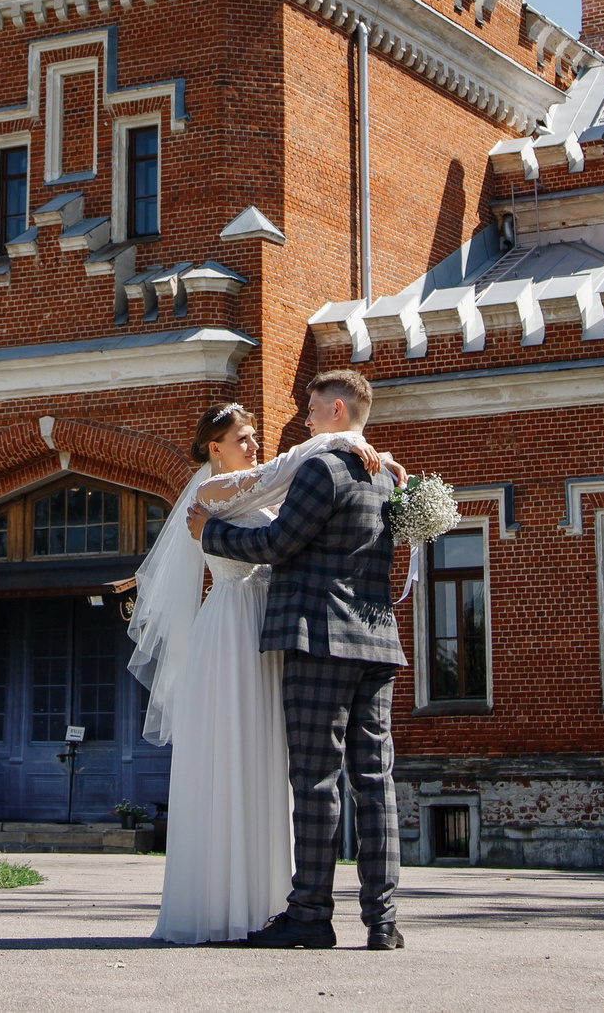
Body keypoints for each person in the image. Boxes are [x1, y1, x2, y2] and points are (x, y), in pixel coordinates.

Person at [129, 397, 405, 946]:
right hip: (233, 627)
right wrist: (335, 440)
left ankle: (273, 899)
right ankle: (223, 899)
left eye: (256, 436)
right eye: (244, 437)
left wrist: (356, 450)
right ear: (215, 447)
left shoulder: (276, 487)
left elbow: (295, 520)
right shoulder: (212, 492)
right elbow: (279, 483)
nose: (256, 445)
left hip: (280, 630)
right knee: (243, 756)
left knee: (282, 768)